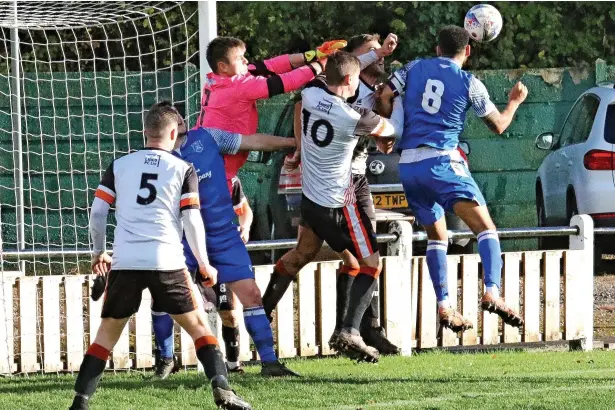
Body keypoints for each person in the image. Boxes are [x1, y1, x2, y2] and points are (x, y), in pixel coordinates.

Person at [69, 102, 251, 410]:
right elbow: (192, 220)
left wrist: (99, 251)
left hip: (125, 262)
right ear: (172, 131)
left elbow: (98, 212)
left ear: (145, 132)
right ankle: (223, 390)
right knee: (198, 329)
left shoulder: (120, 164)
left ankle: (80, 403)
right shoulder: (182, 168)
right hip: (166, 260)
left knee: (106, 336)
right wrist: (204, 263)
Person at [377, 25, 526, 332]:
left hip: (409, 165)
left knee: (437, 237)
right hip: (443, 162)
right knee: (486, 230)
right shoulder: (470, 83)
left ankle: (444, 306)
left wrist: (388, 130)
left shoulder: (414, 67)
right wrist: (514, 102)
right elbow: (498, 125)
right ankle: (492, 293)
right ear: (467, 51)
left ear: (437, 48)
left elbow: (385, 93)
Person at [264, 51, 403, 364]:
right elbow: (391, 131)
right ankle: (350, 331)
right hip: (341, 202)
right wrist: (390, 105)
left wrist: (371, 54)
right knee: (371, 264)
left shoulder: (311, 94)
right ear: (352, 81)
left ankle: (261, 313)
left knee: (303, 254)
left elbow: (318, 82)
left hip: (311, 199)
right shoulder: (353, 117)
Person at [152, 109, 301, 379]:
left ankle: (269, 363)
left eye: (181, 116)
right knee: (163, 298)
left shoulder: (209, 137)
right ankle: (164, 360)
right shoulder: (158, 160)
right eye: (174, 119)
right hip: (181, 240)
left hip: (224, 237)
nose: (181, 120)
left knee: (252, 296)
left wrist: (292, 142)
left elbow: (251, 141)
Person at [195, 36, 344, 193]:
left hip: (209, 162)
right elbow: (286, 82)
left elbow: (269, 65)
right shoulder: (238, 86)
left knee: (245, 215)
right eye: (240, 58)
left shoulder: (217, 80)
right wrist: (322, 63)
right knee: (227, 216)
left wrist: (314, 54)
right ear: (223, 66)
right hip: (216, 175)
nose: (246, 61)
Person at [153, 176, 254, 378]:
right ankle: (165, 360)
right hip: (181, 253)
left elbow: (245, 210)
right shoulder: (175, 174)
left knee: (229, 313)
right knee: (163, 303)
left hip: (215, 255)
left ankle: (233, 364)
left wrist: (246, 227)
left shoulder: (226, 179)